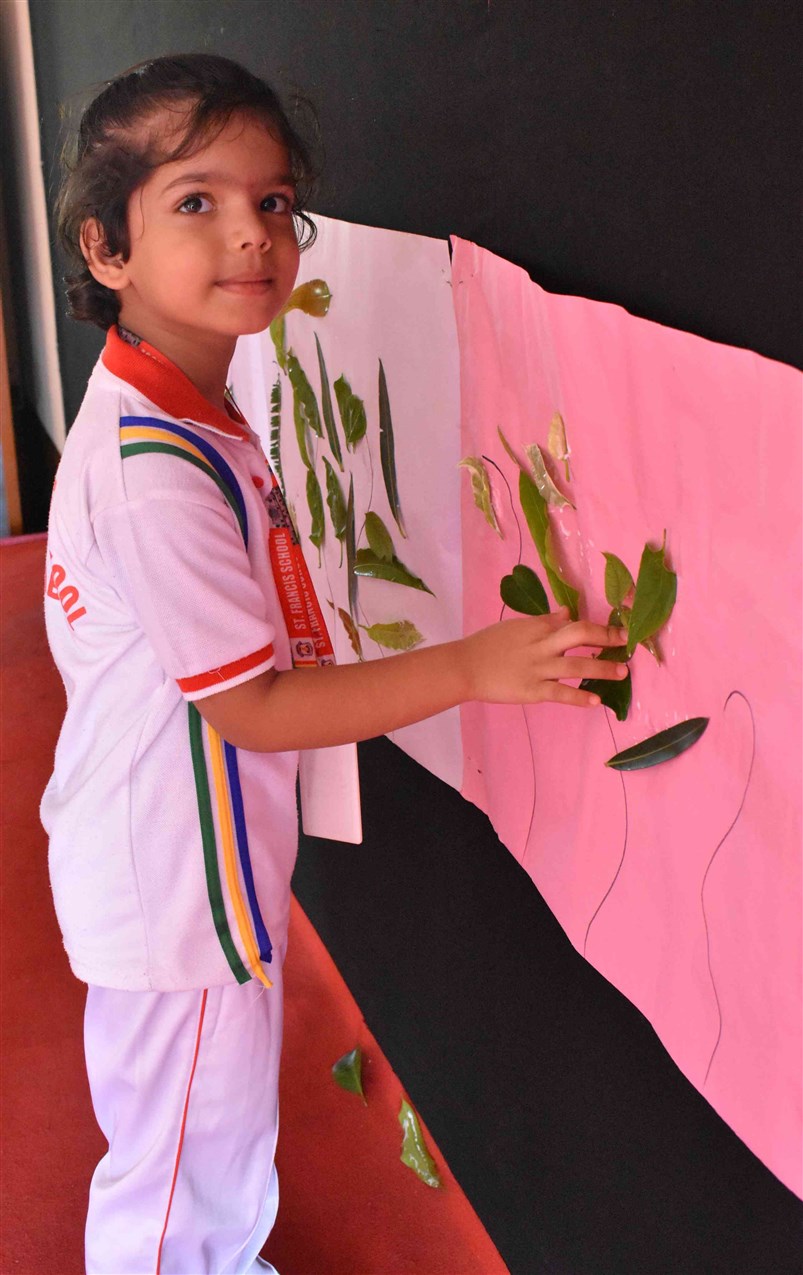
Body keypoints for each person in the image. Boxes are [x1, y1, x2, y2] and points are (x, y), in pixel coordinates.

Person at [41, 52, 630, 1275]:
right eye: (195, 201)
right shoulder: (154, 472)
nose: (249, 234)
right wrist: (471, 667)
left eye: (272, 201)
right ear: (106, 249)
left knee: (204, 1137)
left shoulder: (180, 403)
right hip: (175, 878)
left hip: (170, 856)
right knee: (180, 1170)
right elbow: (255, 710)